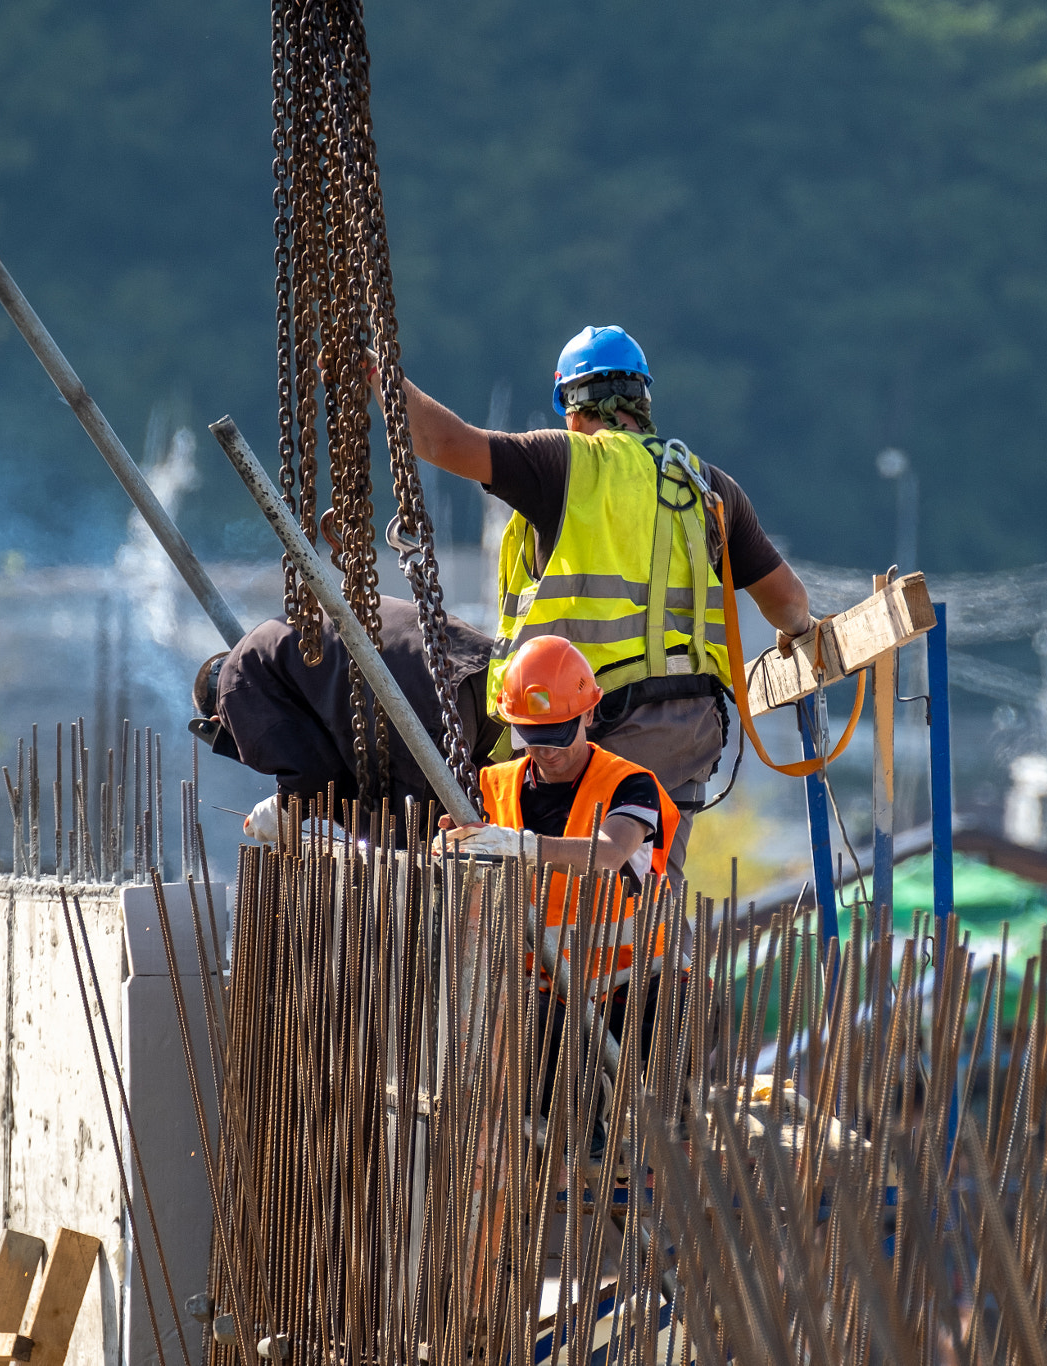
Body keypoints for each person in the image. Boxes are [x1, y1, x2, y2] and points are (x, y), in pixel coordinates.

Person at [384, 324, 817, 883]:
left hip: (576, 729)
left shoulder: (564, 462)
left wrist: (378, 376)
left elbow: (444, 443)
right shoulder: (706, 487)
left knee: (542, 896)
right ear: (643, 400)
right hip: (683, 734)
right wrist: (803, 633)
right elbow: (788, 603)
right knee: (646, 888)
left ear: (570, 405)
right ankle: (658, 969)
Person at [434, 635, 679, 1116]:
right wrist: (451, 849)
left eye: (559, 734)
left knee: (673, 1057)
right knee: (552, 1096)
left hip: (634, 989)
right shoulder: (491, 788)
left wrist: (517, 846)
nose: (547, 752)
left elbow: (609, 853)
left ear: (589, 713)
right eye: (532, 736)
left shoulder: (630, 783)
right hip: (544, 995)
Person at [190, 594, 507, 844]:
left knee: (413, 860)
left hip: (422, 701)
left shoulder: (235, 685)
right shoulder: (275, 652)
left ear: (219, 719)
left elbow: (313, 772)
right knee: (482, 831)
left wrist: (283, 809)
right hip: (482, 675)